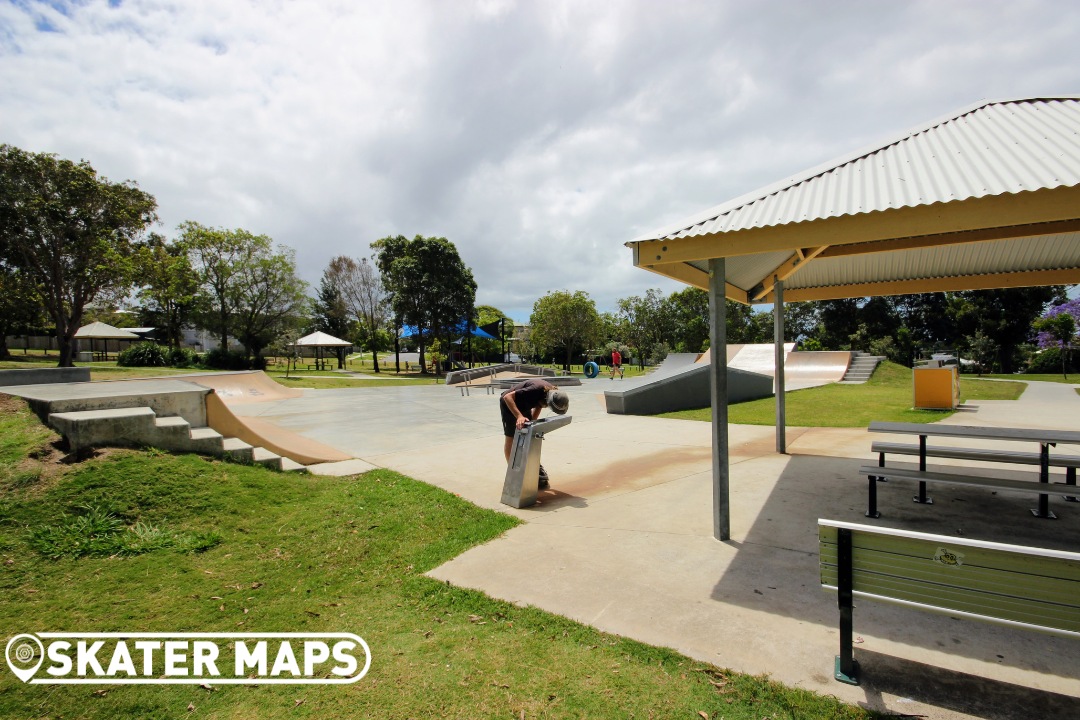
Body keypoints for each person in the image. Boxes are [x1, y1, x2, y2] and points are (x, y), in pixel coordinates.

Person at [500, 379, 569, 489]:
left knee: (530, 435)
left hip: (524, 405)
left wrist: (533, 422)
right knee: (511, 438)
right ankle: (513, 472)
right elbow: (507, 397)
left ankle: (535, 467)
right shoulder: (535, 390)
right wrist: (519, 416)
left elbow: (539, 405)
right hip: (510, 404)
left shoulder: (549, 393)